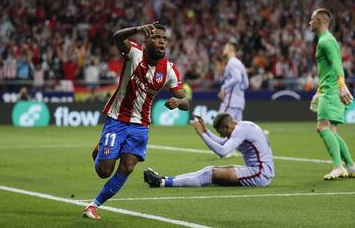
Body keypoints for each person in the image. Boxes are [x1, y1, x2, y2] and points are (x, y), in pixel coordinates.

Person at [82, 22, 189, 219]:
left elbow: (186, 102)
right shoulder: (134, 53)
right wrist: (137, 29)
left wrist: (178, 101)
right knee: (104, 171)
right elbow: (116, 36)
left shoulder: (169, 70)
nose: (161, 42)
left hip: (141, 124)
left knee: (128, 167)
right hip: (117, 119)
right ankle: (100, 150)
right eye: (157, 38)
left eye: (164, 39)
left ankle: (93, 206)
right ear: (147, 39)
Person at [144, 113, 275, 188]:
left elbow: (223, 151)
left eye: (221, 132)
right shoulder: (241, 126)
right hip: (259, 170)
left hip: (259, 174)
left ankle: (162, 183)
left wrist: (202, 134)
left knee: (210, 174)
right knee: (209, 169)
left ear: (227, 126)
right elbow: (223, 142)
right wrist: (206, 131)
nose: (221, 135)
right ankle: (165, 179)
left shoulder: (240, 130)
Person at [309, 8, 355, 180]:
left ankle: (338, 167)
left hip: (331, 91)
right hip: (329, 90)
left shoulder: (325, 42)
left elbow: (337, 64)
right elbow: (327, 71)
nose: (309, 22)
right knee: (332, 132)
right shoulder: (329, 40)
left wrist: (342, 86)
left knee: (322, 127)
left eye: (312, 19)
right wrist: (317, 92)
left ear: (319, 21)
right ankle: (350, 166)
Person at [218, 42, 249, 121]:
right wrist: (238, 90)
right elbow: (246, 84)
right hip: (240, 101)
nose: (223, 50)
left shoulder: (231, 62)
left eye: (225, 48)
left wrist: (224, 87)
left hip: (231, 100)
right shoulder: (240, 64)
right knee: (237, 129)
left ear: (231, 50)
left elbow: (237, 78)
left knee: (220, 123)